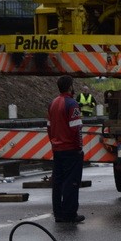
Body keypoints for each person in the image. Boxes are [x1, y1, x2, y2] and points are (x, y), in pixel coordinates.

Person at [48, 75, 85, 224]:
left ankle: (58, 213)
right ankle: (70, 213)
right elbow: (76, 128)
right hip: (70, 148)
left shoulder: (52, 103)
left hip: (57, 148)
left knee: (57, 182)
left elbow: (49, 127)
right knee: (72, 181)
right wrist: (79, 147)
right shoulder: (72, 104)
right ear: (70, 86)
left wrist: (54, 143)